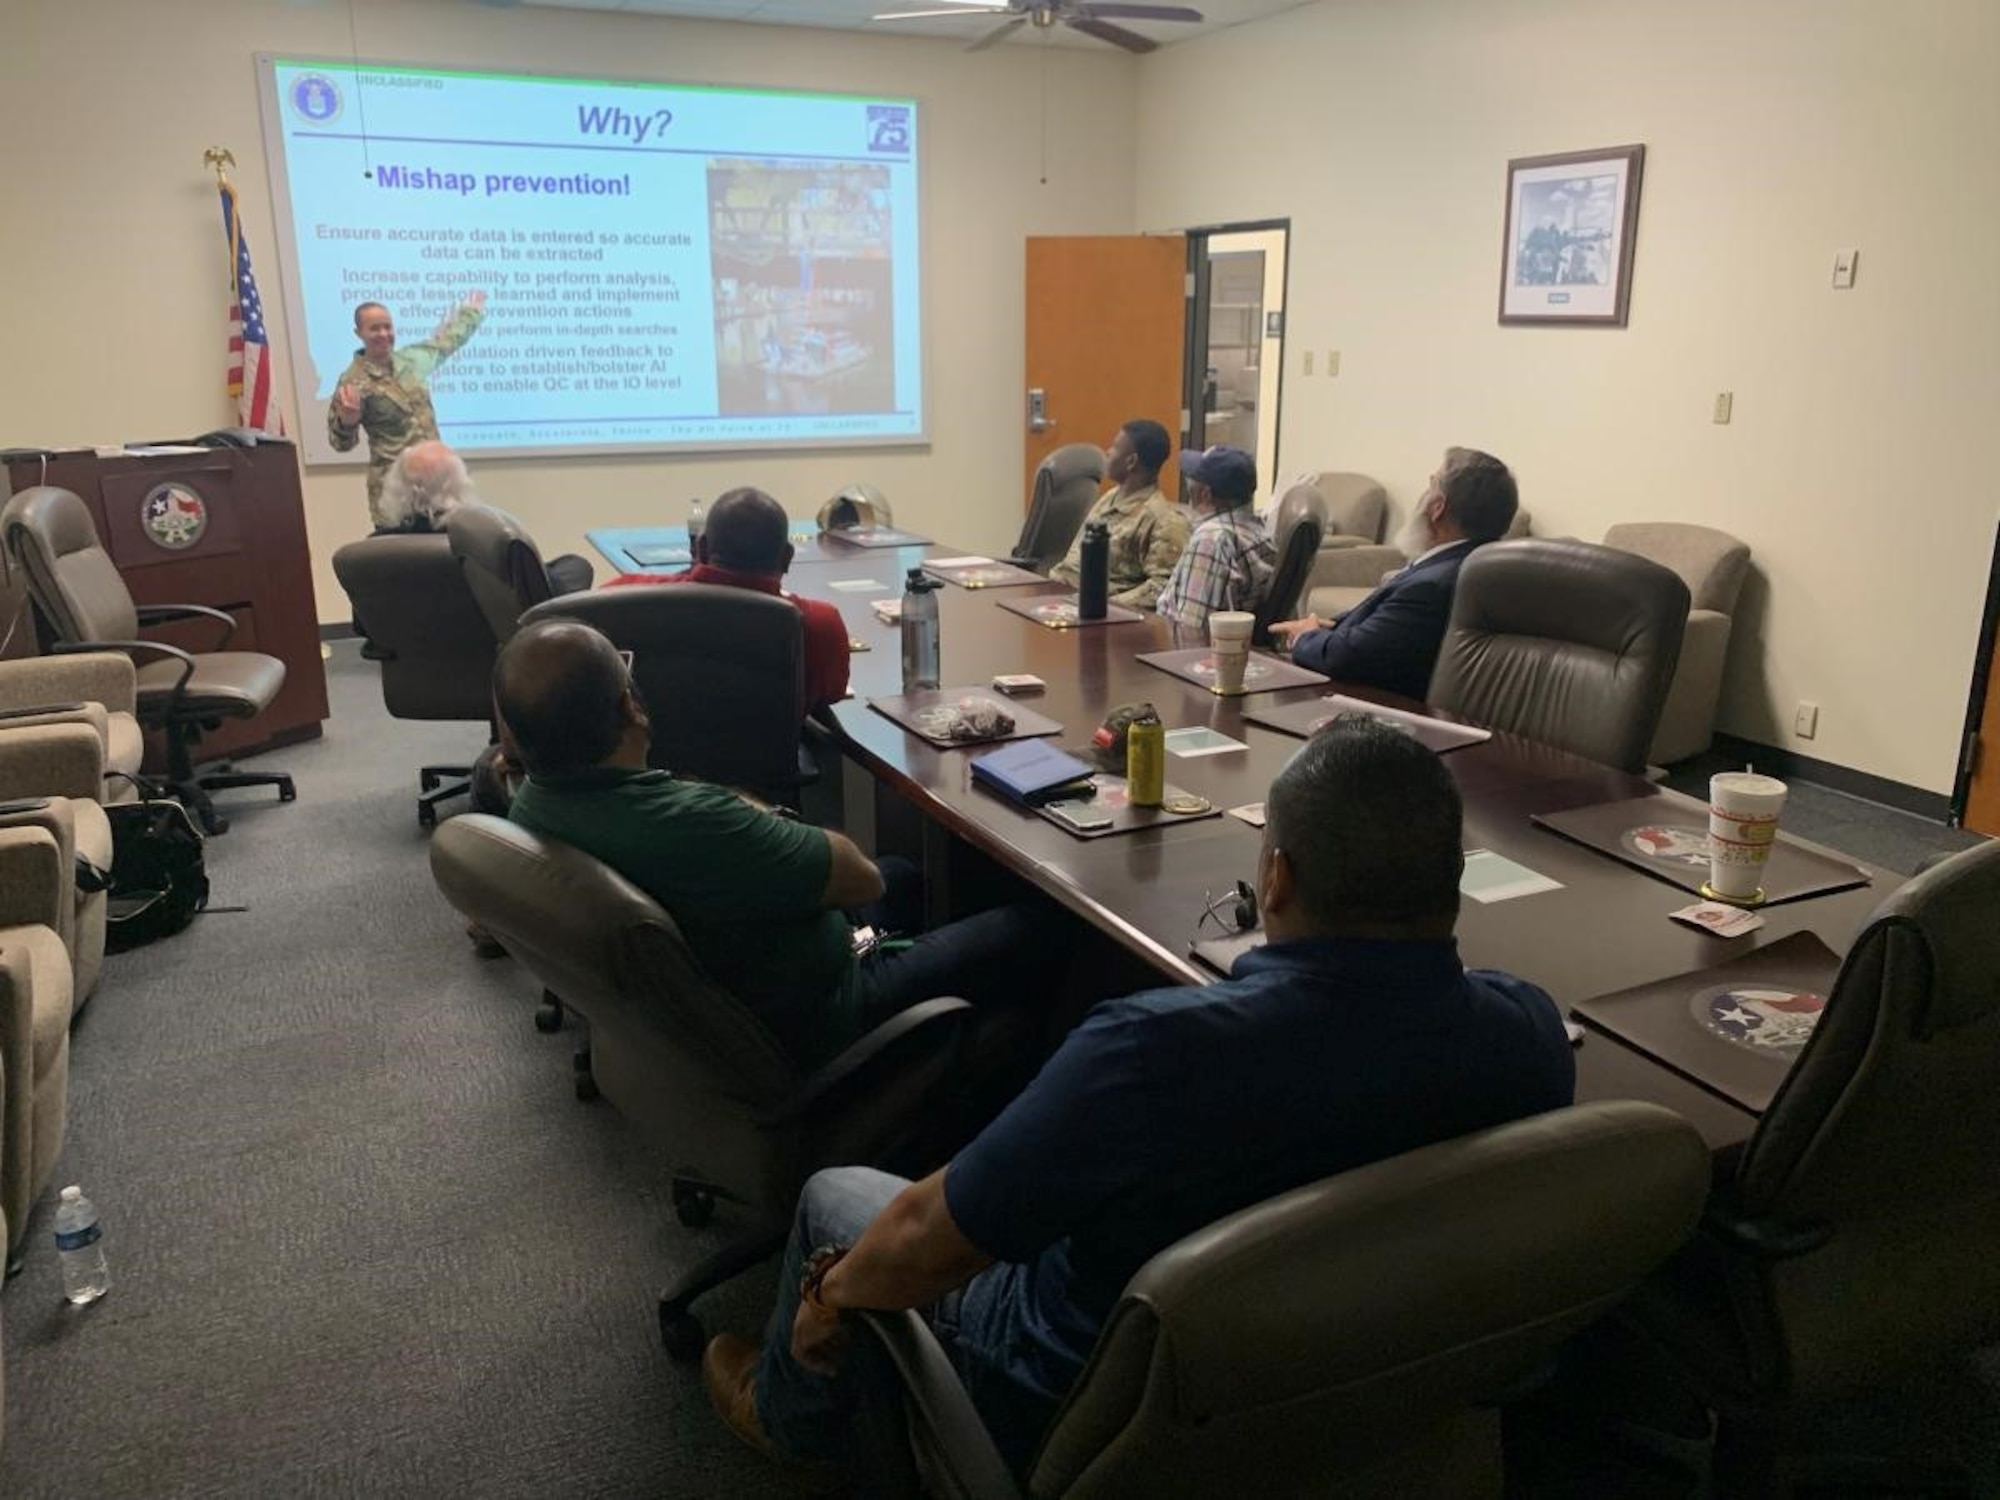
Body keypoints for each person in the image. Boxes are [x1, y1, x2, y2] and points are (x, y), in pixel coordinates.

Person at [703, 716, 1577, 1481]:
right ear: (1453, 883)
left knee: (834, 1199)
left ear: (1274, 879)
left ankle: (789, 1420)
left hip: (1078, 1401)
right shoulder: (1529, 1037)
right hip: (1350, 1384)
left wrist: (832, 1298)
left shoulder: (1148, 1053)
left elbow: (927, 1241)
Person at [493, 619, 1058, 1073]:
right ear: (630, 708)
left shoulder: (532, 802)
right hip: (823, 1012)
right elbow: (861, 880)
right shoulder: (697, 822)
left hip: (723, 994)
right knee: (1030, 924)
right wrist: (745, 810)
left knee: (910, 874)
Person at [1269, 447, 1518, 701]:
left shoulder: (1434, 584)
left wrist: (1305, 637)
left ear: (1437, 508)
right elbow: (1388, 630)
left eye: (1431, 484)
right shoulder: (1463, 564)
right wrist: (1331, 626)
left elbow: (1347, 657)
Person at [606, 487, 849, 718]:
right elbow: (832, 693)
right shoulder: (820, 625)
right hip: (766, 761)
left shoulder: (619, 598)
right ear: (787, 557)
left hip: (648, 759)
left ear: (700, 548)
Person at [327, 292, 486, 529]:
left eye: (387, 327)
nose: (383, 334)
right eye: (374, 329)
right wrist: (348, 422)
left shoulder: (410, 360)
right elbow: (340, 444)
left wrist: (471, 313)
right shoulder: (353, 381)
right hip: (396, 491)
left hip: (437, 485)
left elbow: (445, 344)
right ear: (359, 333)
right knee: (404, 559)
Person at [370, 438, 595, 595]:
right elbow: (538, 600)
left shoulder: (374, 551)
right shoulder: (486, 543)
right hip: (495, 657)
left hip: (406, 662)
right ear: (458, 486)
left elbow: (364, 626)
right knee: (576, 567)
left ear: (395, 486)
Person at [1047, 419, 1191, 611]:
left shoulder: (1162, 521)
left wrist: (1105, 606)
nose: (1108, 452)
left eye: (1115, 448)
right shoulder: (1111, 496)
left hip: (1099, 616)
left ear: (1131, 461)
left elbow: (1163, 586)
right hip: (1061, 598)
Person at [1155, 444, 1277, 632]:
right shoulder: (1258, 530)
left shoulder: (1210, 541)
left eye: (1190, 484)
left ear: (1205, 494)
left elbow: (1191, 633)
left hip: (1172, 650)